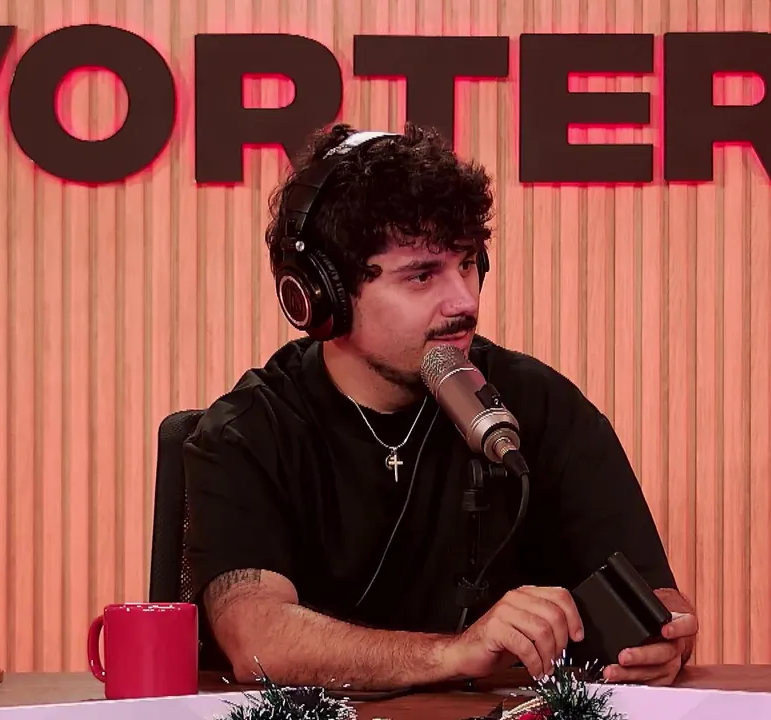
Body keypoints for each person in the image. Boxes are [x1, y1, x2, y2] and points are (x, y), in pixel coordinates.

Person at [181, 122, 698, 691]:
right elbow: (258, 638)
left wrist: (663, 640)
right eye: (422, 275)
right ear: (321, 299)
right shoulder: (248, 432)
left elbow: (657, 599)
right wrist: (454, 653)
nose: (464, 301)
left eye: (468, 263)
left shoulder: (539, 404)